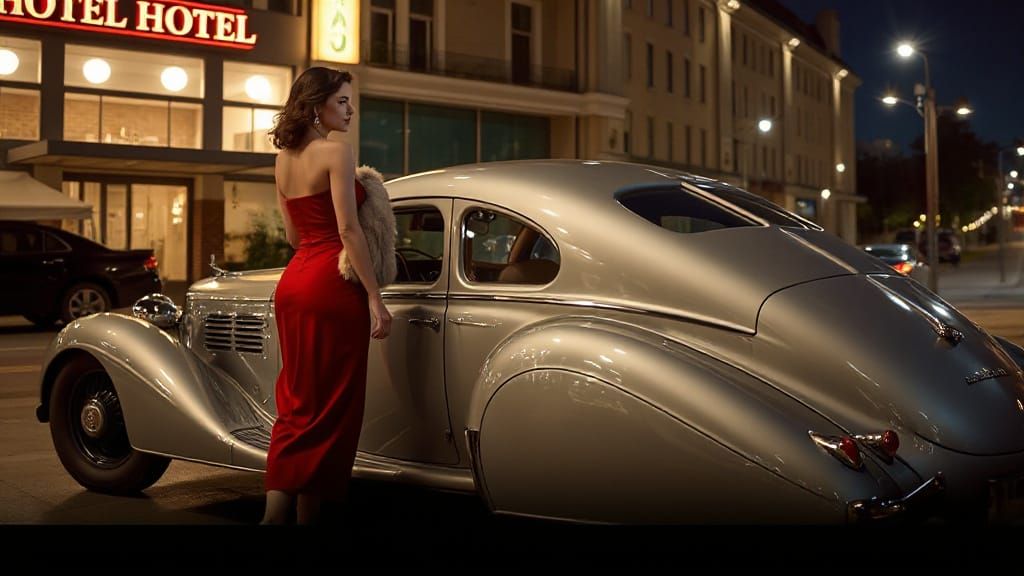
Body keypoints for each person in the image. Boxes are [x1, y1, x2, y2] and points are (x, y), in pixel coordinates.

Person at [261, 67, 392, 525]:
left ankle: (280, 514)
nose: (350, 109)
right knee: (333, 405)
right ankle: (297, 517)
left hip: (294, 283)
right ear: (316, 106)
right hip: (331, 286)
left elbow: (296, 237)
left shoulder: (283, 159)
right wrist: (375, 297)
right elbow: (348, 230)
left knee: (298, 402)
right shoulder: (336, 151)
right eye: (341, 101)